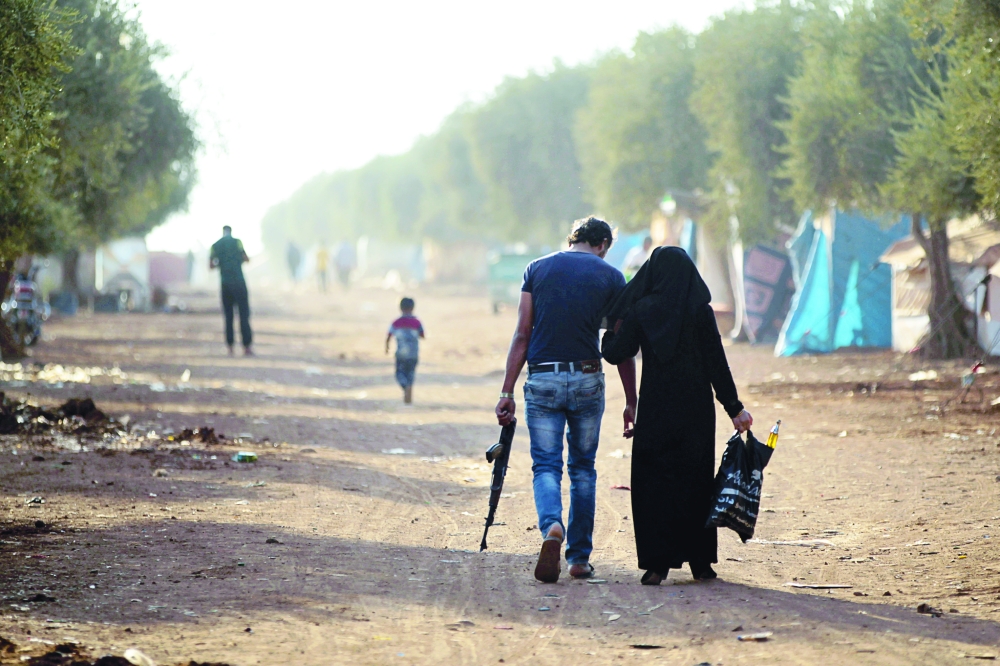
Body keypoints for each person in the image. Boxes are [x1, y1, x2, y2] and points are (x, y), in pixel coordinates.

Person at [496, 216, 637, 584]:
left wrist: (507, 391)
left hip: (542, 376)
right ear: (603, 243)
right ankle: (578, 559)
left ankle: (552, 525)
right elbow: (620, 346)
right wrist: (631, 400)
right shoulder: (610, 276)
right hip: (588, 377)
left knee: (545, 465)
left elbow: (522, 333)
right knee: (582, 469)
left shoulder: (537, 268)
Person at [600, 247, 752, 585]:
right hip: (696, 412)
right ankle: (701, 564)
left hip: (656, 410)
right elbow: (716, 363)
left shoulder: (642, 311)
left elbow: (615, 353)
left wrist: (612, 331)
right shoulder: (700, 310)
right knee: (695, 483)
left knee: (654, 483)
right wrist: (734, 408)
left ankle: (657, 565)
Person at [209, 226, 253, 356]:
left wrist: (221, 263)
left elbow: (211, 266)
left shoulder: (215, 245)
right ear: (231, 232)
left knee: (228, 316)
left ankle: (230, 347)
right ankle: (247, 347)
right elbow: (246, 258)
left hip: (225, 284)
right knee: (244, 315)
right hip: (239, 282)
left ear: (222, 232)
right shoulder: (237, 242)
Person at [386, 297, 424, 404]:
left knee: (399, 373)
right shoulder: (417, 322)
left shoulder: (396, 322)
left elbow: (389, 335)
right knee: (411, 373)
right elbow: (422, 335)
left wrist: (387, 347)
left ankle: (405, 386)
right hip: (413, 354)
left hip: (401, 354)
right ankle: (409, 387)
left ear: (400, 308)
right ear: (413, 308)